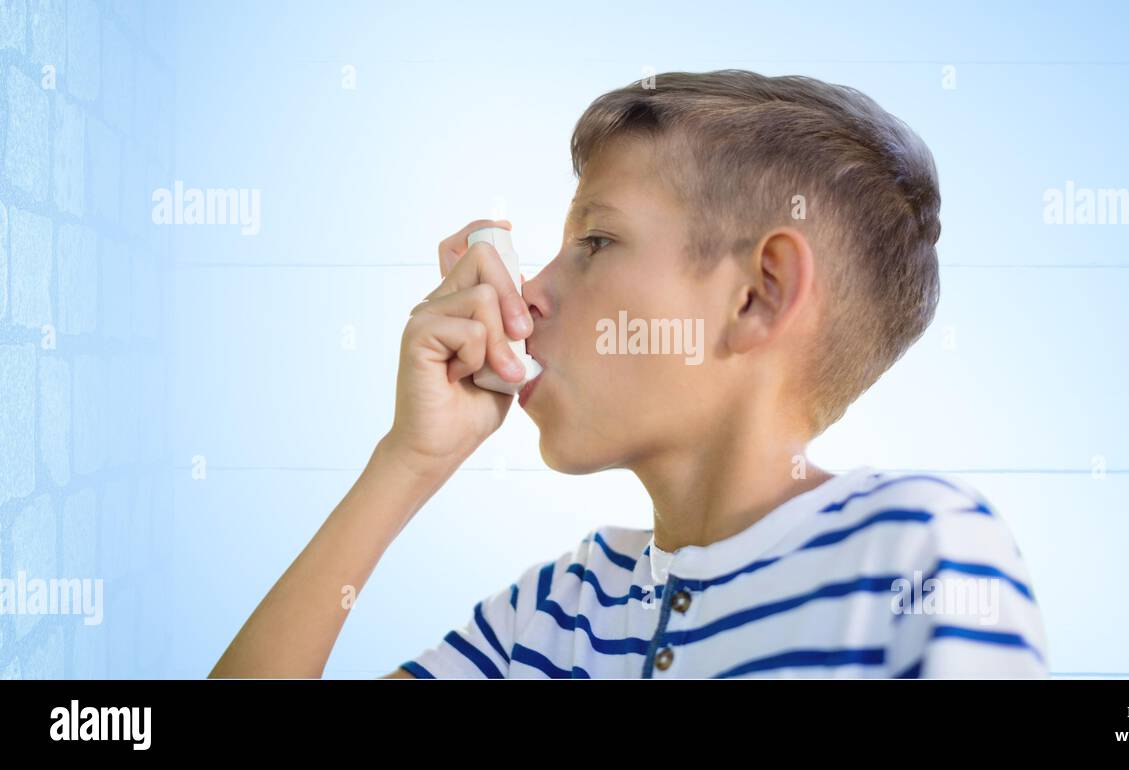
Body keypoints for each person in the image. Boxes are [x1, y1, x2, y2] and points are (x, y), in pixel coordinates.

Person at [210, 70, 1048, 679]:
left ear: (758, 295)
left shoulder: (915, 551)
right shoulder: (553, 616)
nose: (528, 295)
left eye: (597, 241)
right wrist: (409, 460)